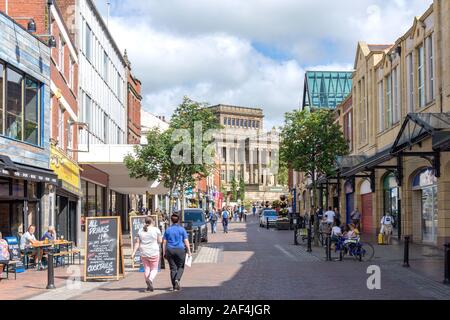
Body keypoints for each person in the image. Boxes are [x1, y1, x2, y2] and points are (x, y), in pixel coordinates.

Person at [162, 214, 192, 291]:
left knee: (173, 268)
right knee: (181, 266)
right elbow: (186, 241)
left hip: (170, 250)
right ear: (178, 220)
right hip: (180, 250)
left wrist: (164, 252)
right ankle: (177, 279)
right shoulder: (182, 229)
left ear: (171, 220)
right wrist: (189, 251)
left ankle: (174, 286)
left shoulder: (168, 230)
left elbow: (164, 242)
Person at [132, 216, 162, 292]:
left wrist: (133, 253)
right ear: (153, 221)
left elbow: (137, 243)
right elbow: (160, 241)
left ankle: (148, 285)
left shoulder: (140, 230)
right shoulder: (156, 230)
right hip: (154, 251)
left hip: (144, 252)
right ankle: (150, 279)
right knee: (154, 268)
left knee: (146, 268)